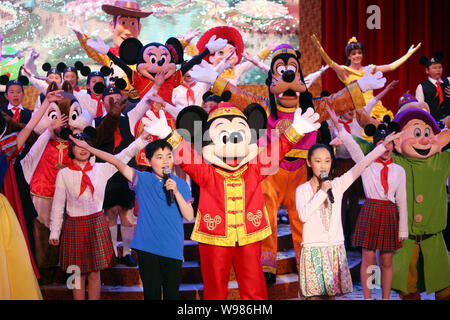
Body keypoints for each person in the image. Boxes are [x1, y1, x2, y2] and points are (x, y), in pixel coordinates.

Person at [70, 137, 194, 300]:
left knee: (172, 295)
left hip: (172, 249)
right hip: (148, 249)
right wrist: (89, 148)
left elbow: (189, 215)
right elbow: (115, 161)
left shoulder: (180, 184)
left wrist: (176, 192)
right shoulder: (142, 179)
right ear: (149, 162)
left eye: (169, 156)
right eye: (159, 157)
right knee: (151, 294)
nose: (165, 161)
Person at [295, 130, 401, 300]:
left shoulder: (337, 185)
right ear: (309, 163)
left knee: (331, 297)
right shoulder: (302, 190)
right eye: (318, 161)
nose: (323, 165)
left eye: (327, 161)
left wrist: (382, 146)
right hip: (313, 250)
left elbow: (362, 164)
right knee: (313, 297)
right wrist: (322, 192)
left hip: (333, 249)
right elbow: (304, 215)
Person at [49, 128, 149, 300]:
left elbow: (123, 156)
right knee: (77, 273)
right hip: (74, 225)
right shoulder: (63, 174)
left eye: (85, 144)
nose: (82, 149)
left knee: (95, 274)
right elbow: (58, 205)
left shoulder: (101, 169)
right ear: (71, 148)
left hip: (96, 223)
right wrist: (54, 231)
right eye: (78, 145)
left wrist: (141, 141)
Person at [328, 105, 408, 300]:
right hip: (371, 211)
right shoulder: (367, 165)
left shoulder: (399, 170)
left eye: (389, 142)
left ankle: (386, 297)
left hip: (389, 213)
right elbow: (353, 146)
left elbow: (402, 202)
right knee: (368, 258)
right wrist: (338, 125)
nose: (386, 147)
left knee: (387, 260)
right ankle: (367, 297)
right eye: (381, 142)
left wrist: (403, 229)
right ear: (375, 145)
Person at [311, 35, 421, 121]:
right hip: (355, 107)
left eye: (359, 53)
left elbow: (391, 66)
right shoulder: (345, 71)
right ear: (349, 56)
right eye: (353, 53)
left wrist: (408, 54)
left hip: (374, 106)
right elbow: (331, 63)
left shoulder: (370, 69)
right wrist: (320, 49)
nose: (357, 55)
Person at [416, 53, 449, 121]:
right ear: (427, 70)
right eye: (434, 68)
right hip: (433, 123)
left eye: (440, 67)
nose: (438, 70)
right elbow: (420, 108)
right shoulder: (422, 87)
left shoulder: (448, 81)